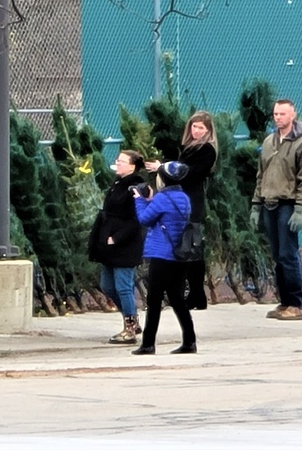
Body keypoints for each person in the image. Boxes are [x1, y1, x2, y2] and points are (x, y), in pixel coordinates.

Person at [250, 99, 302, 321]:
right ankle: (284, 302)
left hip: (288, 204)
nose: (278, 117)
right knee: (278, 256)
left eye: (282, 114)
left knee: (289, 255)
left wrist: (299, 209)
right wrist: (256, 206)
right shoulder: (269, 141)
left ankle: (296, 305)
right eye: (275, 114)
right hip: (269, 203)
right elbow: (261, 174)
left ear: (293, 115)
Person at [145, 111, 218, 310]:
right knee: (185, 249)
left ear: (208, 130)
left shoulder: (207, 150)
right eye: (194, 126)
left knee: (192, 249)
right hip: (180, 201)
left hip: (191, 203)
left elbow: (189, 174)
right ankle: (190, 293)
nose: (196, 131)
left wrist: (164, 167)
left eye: (201, 127)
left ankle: (197, 295)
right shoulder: (187, 147)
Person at [131, 161, 197, 355]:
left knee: (154, 299)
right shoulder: (184, 197)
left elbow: (144, 219)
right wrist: (152, 200)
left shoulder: (162, 198)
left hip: (162, 254)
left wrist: (139, 200)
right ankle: (189, 341)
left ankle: (148, 344)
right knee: (177, 298)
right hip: (181, 255)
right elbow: (168, 216)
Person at [88, 150, 147, 344]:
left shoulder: (135, 186)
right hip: (108, 241)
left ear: (132, 166)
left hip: (124, 245)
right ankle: (131, 319)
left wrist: (117, 238)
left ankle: (129, 328)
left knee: (123, 287)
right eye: (118, 160)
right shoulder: (117, 184)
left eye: (122, 161)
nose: (117, 163)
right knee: (107, 286)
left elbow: (136, 218)